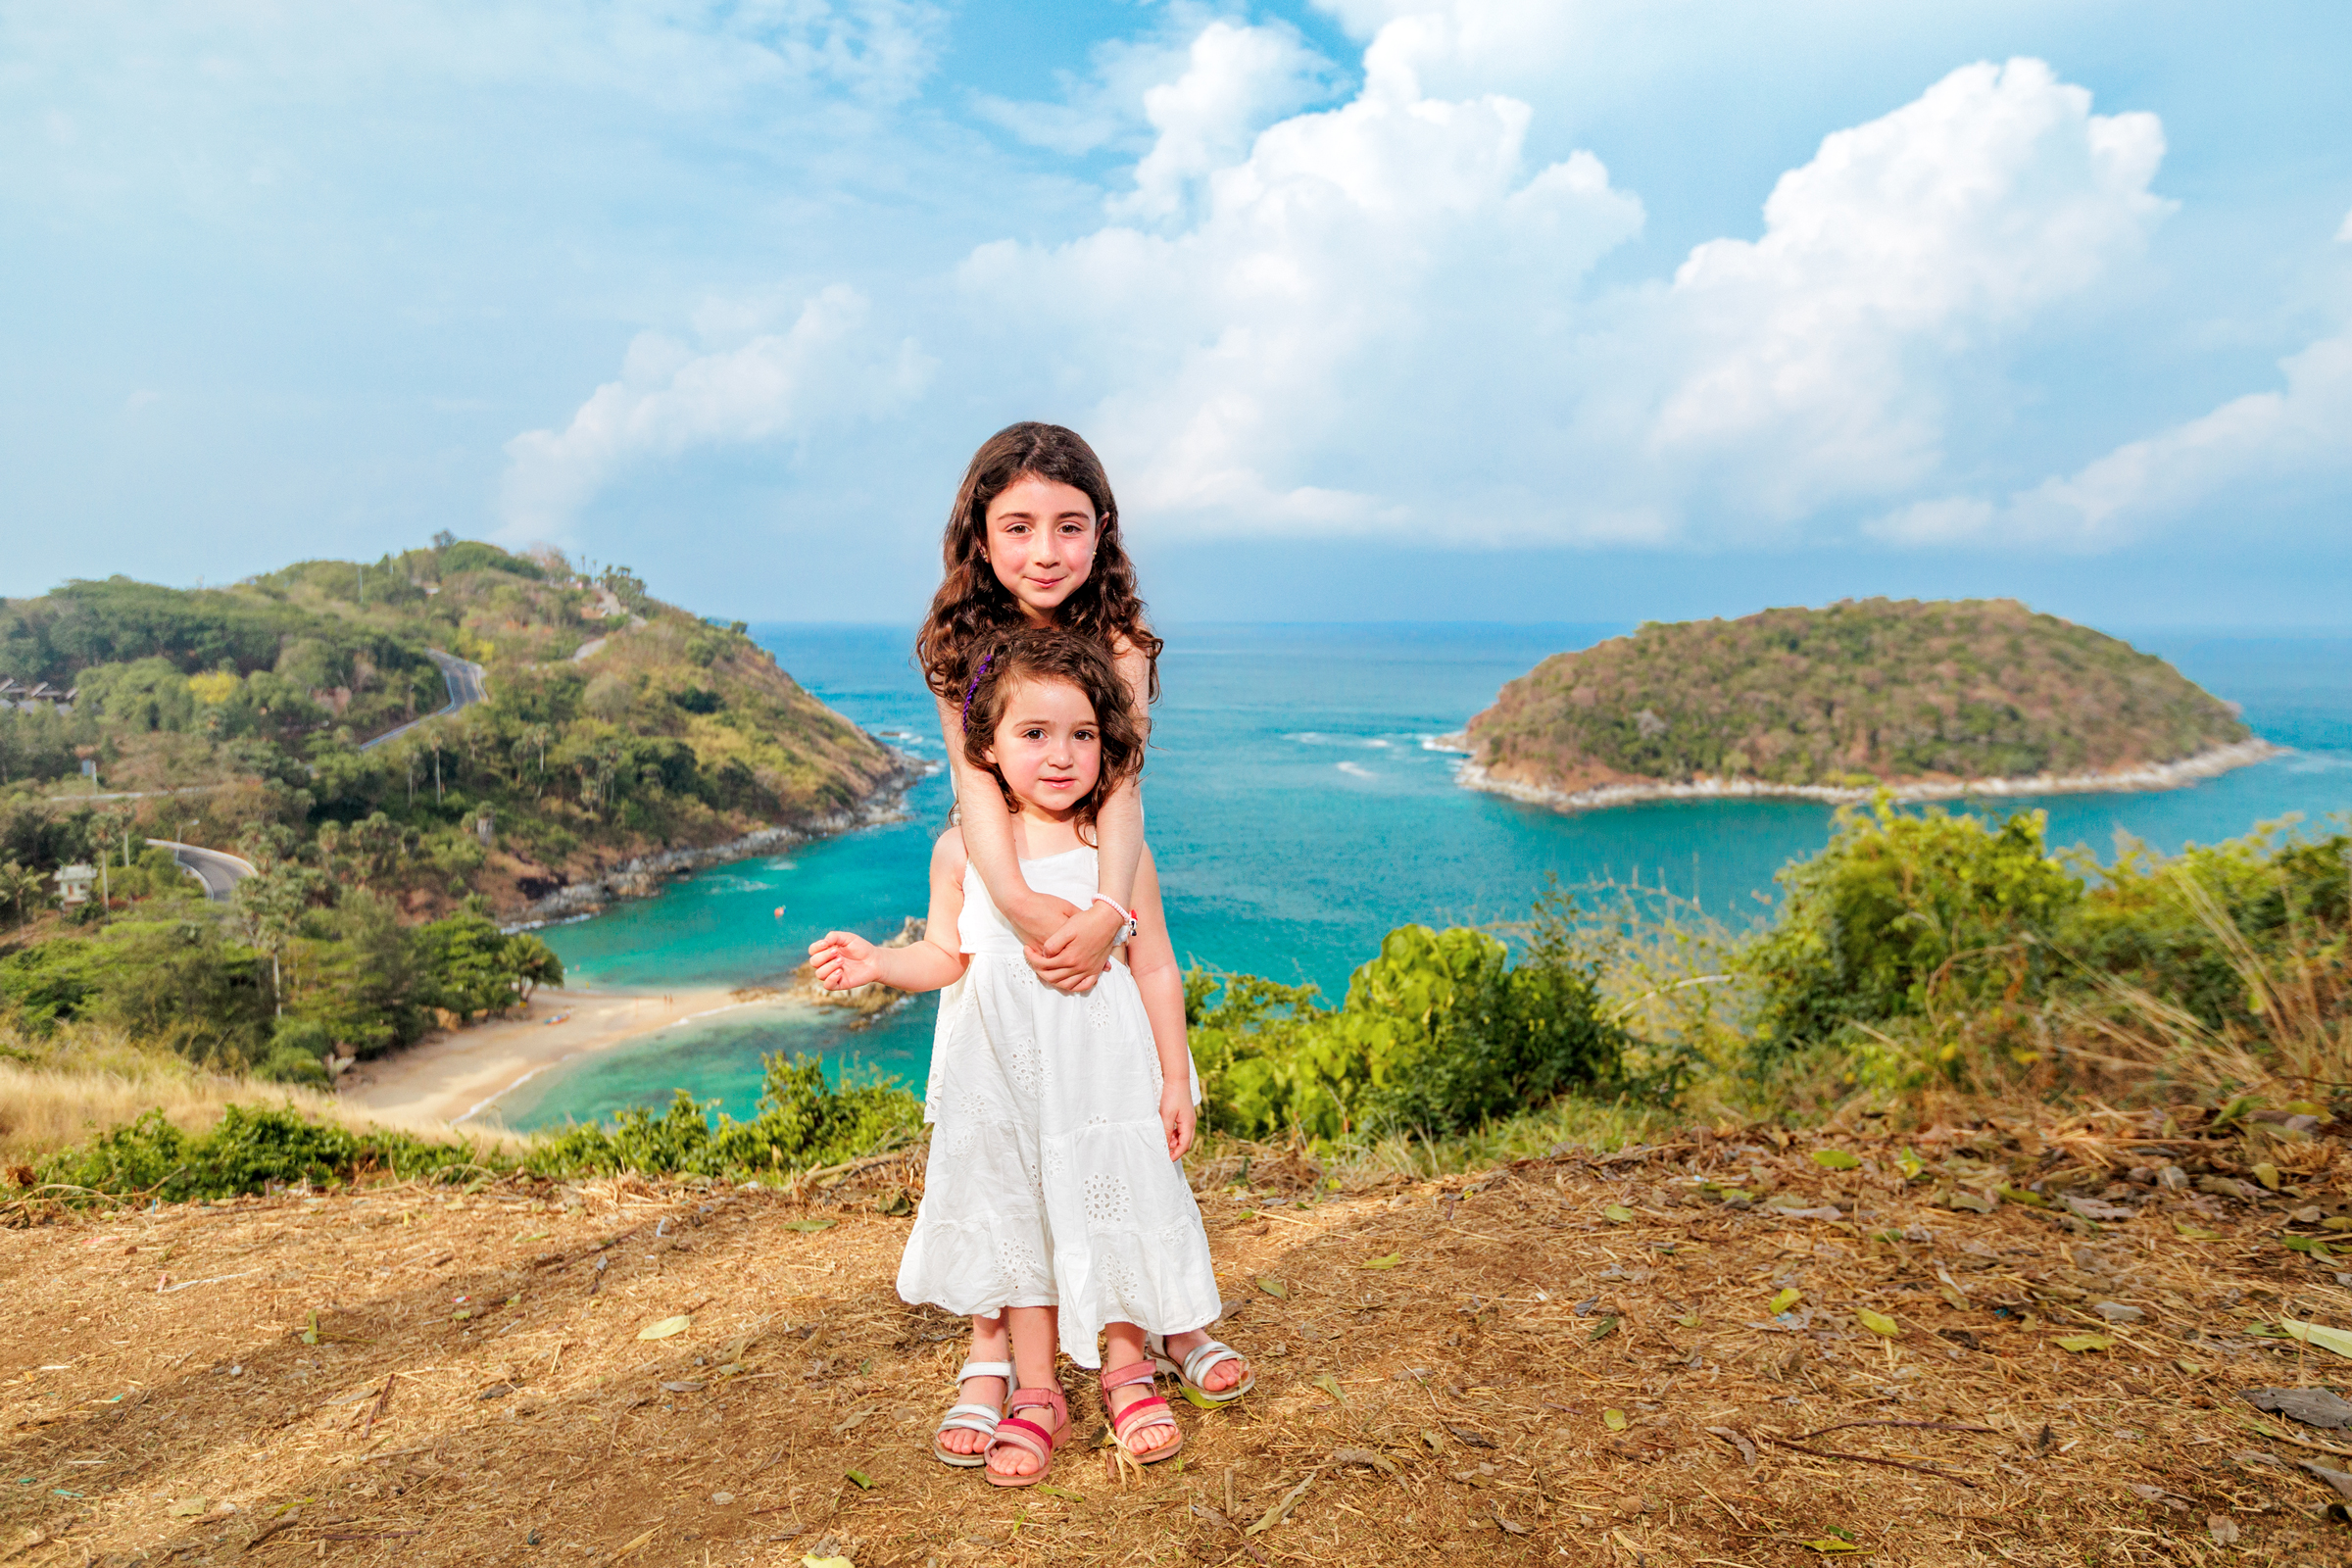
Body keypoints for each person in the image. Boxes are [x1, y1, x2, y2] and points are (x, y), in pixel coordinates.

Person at [808, 630, 1250, 1487]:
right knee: (1020, 1230)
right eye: (1034, 733)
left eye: (1083, 734)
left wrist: (1174, 1077)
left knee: (1113, 1211)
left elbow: (1155, 964)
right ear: (987, 747)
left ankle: (1128, 1368)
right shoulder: (963, 852)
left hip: (1105, 1086)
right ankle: (1038, 1390)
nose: (1061, 754)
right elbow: (948, 957)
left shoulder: (1116, 853)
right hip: (1003, 1085)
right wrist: (881, 964)